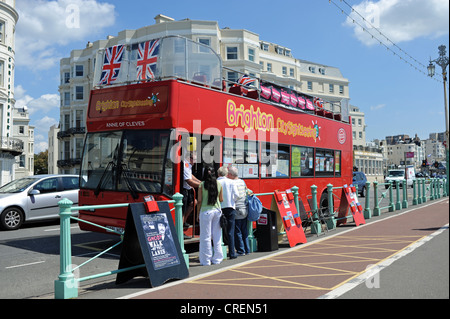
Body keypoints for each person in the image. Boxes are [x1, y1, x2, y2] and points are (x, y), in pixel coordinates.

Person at [198, 165, 224, 266]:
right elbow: (221, 199)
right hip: (217, 211)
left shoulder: (202, 184)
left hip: (205, 212)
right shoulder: (219, 184)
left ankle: (206, 260)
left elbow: (199, 201)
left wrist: (197, 213)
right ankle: (217, 259)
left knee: (205, 237)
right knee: (217, 236)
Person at [217, 166, 241, 259]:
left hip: (219, 208)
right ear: (227, 173)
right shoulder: (231, 182)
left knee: (219, 230)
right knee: (231, 231)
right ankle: (232, 253)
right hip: (230, 208)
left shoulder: (216, 182)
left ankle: (219, 254)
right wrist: (232, 201)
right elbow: (236, 195)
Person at [228, 166, 251, 256]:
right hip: (244, 208)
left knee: (237, 231)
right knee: (244, 230)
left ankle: (241, 250)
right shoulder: (242, 181)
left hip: (237, 208)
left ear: (230, 174)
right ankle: (247, 249)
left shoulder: (232, 183)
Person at [182, 152, 201, 232]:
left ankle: (184, 221)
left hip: (188, 189)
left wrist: (200, 182)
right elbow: (189, 181)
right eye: (195, 159)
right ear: (189, 158)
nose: (196, 161)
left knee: (194, 202)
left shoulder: (188, 166)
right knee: (182, 211)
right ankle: (181, 228)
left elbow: (191, 176)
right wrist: (202, 185)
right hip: (184, 190)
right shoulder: (186, 166)